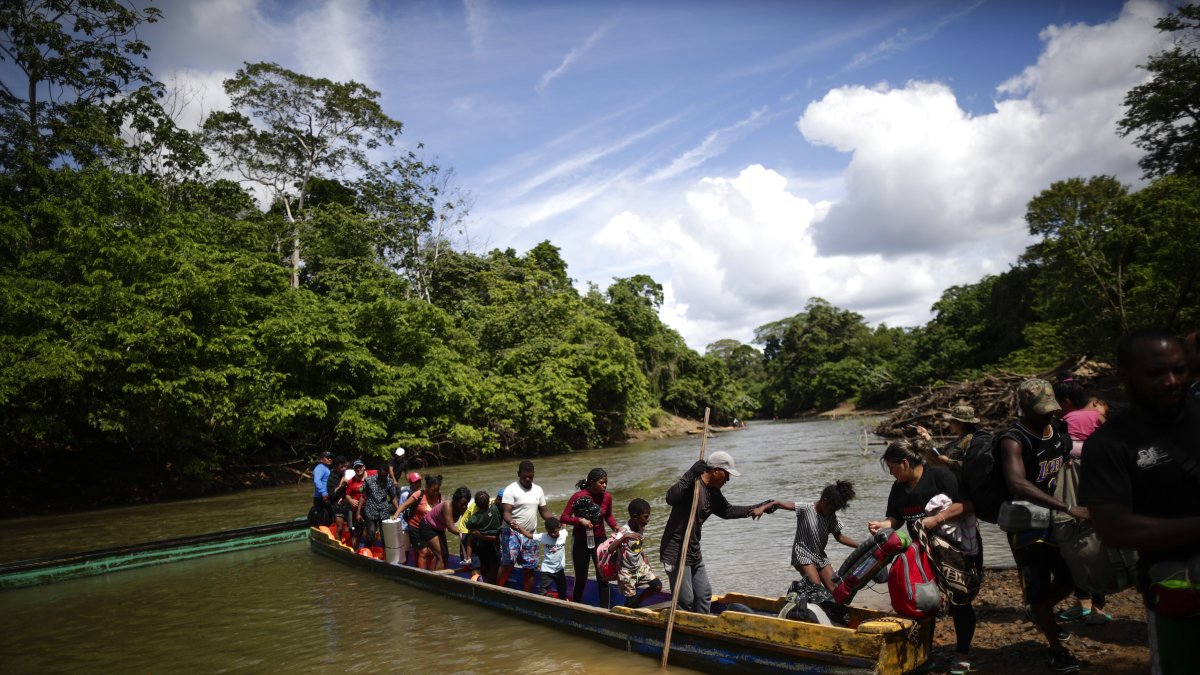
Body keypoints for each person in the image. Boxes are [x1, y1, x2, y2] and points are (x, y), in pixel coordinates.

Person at [1080, 328, 1200, 675]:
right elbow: (1113, 526)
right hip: (1177, 590)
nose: (1171, 381)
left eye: (1179, 370)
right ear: (1124, 376)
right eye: (1156, 373)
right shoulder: (1109, 444)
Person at [996, 379, 1086, 674]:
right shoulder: (1013, 439)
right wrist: (1067, 507)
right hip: (1027, 524)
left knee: (1070, 579)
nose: (1048, 414)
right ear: (1023, 407)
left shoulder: (1057, 428)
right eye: (1041, 410)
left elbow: (1071, 456)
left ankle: (1041, 610)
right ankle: (1057, 651)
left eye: (1051, 408)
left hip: (1057, 519)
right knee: (1037, 588)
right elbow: (1016, 483)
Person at [867, 439, 979, 674]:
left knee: (960, 601)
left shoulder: (940, 476)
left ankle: (962, 654)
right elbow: (895, 519)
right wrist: (883, 524)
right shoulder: (898, 489)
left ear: (905, 463)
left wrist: (937, 519)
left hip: (954, 551)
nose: (892, 474)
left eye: (893, 469)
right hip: (922, 553)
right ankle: (924, 654)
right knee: (922, 601)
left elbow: (968, 504)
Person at [659, 450, 774, 615]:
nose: (728, 480)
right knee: (686, 600)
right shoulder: (693, 485)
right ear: (715, 471)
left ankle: (703, 628)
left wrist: (760, 506)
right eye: (727, 475)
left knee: (704, 595)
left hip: (693, 549)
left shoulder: (713, 493)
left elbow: (728, 511)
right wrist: (690, 473)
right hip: (676, 550)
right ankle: (686, 634)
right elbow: (670, 498)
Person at [1053, 377, 1110, 624]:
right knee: (1100, 541)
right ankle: (1096, 605)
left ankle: (1086, 603)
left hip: (1070, 488)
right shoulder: (1097, 417)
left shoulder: (1063, 422)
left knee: (1074, 543)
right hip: (1102, 484)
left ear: (1066, 402)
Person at [761, 480, 858, 594]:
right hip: (802, 554)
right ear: (824, 501)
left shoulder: (831, 516)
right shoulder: (806, 508)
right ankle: (799, 598)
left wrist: (860, 546)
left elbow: (840, 537)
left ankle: (827, 609)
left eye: (835, 511)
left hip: (820, 556)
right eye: (832, 509)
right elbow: (778, 503)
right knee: (815, 588)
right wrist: (761, 509)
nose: (833, 513)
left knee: (836, 590)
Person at [560, 468, 620, 606]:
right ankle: (577, 608)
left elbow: (608, 516)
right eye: (601, 482)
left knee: (603, 578)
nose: (605, 485)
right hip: (580, 542)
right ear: (592, 482)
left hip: (600, 541)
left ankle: (605, 610)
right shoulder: (578, 497)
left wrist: (616, 527)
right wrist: (579, 520)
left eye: (606, 483)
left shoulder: (607, 497)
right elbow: (564, 517)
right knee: (581, 578)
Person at [499, 461, 554, 592]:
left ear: (534, 474)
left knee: (530, 567)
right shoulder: (511, 489)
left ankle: (527, 595)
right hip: (512, 532)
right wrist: (511, 521)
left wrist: (556, 521)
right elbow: (506, 512)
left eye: (531, 476)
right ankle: (497, 589)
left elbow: (544, 512)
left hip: (530, 533)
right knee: (508, 563)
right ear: (519, 474)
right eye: (525, 476)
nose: (528, 479)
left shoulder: (538, 490)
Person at [613, 498, 662, 608]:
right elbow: (610, 549)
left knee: (657, 586)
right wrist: (626, 536)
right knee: (632, 603)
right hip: (626, 571)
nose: (648, 520)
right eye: (645, 517)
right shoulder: (624, 531)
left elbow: (637, 546)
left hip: (640, 567)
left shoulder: (641, 526)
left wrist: (644, 557)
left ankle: (637, 601)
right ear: (635, 517)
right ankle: (631, 605)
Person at [915, 405, 982, 477]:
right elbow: (940, 450)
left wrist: (948, 461)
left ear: (961, 424)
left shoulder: (970, 440)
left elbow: (971, 465)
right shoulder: (961, 439)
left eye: (952, 421)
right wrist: (927, 436)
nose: (950, 424)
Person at [420, 486, 470, 570]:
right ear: (455, 501)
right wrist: (466, 532)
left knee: (445, 556)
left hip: (439, 529)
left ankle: (434, 573)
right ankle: (438, 581)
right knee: (441, 556)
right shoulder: (447, 505)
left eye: (466, 504)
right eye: (462, 504)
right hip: (427, 526)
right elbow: (451, 528)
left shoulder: (463, 508)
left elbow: (467, 524)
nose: (464, 507)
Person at [400, 474, 443, 569]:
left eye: (437, 490)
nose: (436, 493)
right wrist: (395, 516)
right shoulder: (419, 494)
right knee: (423, 552)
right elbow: (403, 506)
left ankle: (432, 574)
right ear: (427, 487)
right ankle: (422, 573)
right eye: (433, 490)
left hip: (430, 529)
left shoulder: (439, 497)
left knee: (431, 552)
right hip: (416, 527)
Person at [465, 489, 504, 583]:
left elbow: (468, 524)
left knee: (470, 538)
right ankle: (491, 584)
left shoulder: (476, 517)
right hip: (492, 543)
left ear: (476, 505)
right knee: (493, 564)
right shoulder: (494, 509)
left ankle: (468, 559)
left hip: (480, 543)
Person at [360, 463, 399, 550]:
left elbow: (393, 497)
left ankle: (386, 557)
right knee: (371, 535)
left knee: (385, 537)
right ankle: (366, 552)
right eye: (381, 476)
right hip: (371, 510)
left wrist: (398, 510)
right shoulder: (368, 480)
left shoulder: (389, 481)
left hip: (384, 511)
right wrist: (358, 512)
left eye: (385, 476)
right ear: (378, 472)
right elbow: (363, 496)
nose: (383, 478)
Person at [538, 517, 569, 598]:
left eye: (555, 532)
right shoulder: (543, 537)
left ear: (559, 528)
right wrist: (519, 528)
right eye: (550, 532)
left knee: (562, 589)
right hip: (546, 569)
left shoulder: (563, 534)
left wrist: (563, 521)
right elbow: (530, 536)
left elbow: (565, 528)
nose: (552, 534)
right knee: (543, 590)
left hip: (559, 569)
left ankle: (563, 600)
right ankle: (540, 603)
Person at [311, 450, 333, 525]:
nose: (330, 459)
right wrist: (323, 492)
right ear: (321, 459)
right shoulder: (320, 468)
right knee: (323, 519)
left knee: (328, 518)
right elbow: (317, 481)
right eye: (327, 457)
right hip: (320, 497)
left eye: (330, 457)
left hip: (326, 496)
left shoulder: (326, 468)